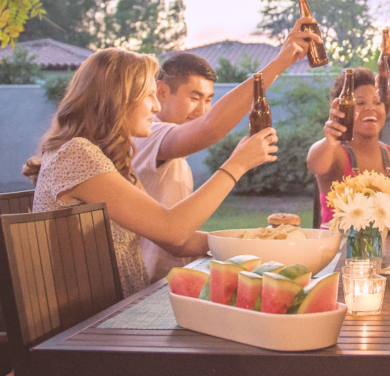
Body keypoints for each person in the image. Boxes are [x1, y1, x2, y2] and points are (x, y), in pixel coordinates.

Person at [23, 48, 277, 297]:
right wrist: (236, 166)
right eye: (149, 95)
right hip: (93, 323)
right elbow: (172, 230)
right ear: (117, 99)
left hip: (118, 308)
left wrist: (252, 241)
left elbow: (177, 243)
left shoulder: (106, 159)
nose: (156, 107)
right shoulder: (78, 154)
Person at [133, 17, 318, 281]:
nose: (201, 109)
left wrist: (253, 241)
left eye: (209, 100)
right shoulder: (148, 135)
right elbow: (210, 127)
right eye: (194, 98)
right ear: (161, 92)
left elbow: (178, 236)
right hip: (144, 289)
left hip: (171, 283)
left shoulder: (176, 159)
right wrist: (280, 62)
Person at [307, 67, 390, 230]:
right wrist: (329, 140)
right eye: (359, 103)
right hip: (341, 251)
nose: (370, 108)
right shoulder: (336, 151)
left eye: (377, 102)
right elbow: (315, 164)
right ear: (343, 109)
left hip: (383, 251)